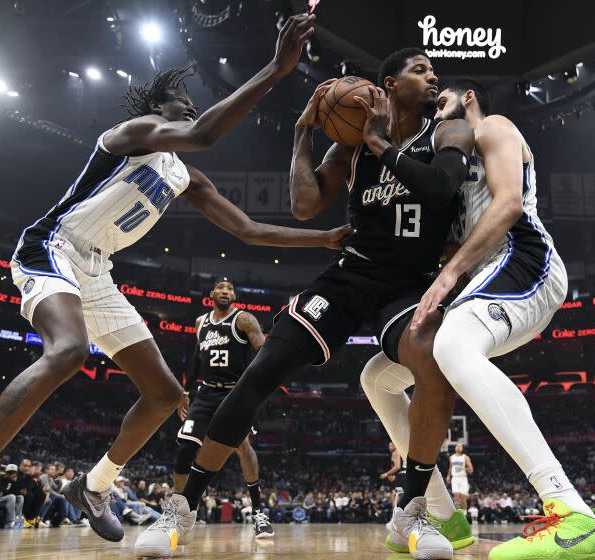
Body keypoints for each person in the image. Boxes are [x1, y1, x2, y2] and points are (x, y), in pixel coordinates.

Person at [0, 12, 350, 540]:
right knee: (69, 352)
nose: (193, 110)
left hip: (97, 270)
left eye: (192, 107)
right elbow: (204, 133)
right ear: (160, 111)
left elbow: (249, 230)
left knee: (163, 395)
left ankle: (93, 485)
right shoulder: (134, 134)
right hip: (53, 248)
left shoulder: (185, 176)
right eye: (183, 105)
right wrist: (276, 69)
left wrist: (324, 239)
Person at [134, 47, 474, 559]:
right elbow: (304, 204)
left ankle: (412, 513)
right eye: (420, 69)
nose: (433, 76)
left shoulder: (448, 131)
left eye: (433, 70)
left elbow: (439, 187)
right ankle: (180, 509)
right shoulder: (352, 148)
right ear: (387, 84)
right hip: (351, 274)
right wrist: (303, 133)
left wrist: (379, 142)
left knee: (431, 360)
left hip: (411, 283)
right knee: (262, 368)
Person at [359, 79, 595, 560]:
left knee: (453, 346)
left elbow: (508, 206)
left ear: (468, 99)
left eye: (441, 102)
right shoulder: (454, 164)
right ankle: (442, 512)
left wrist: (448, 276)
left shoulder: (495, 128)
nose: (435, 113)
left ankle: (574, 513)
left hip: (524, 259)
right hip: (487, 279)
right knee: (378, 377)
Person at [173, 278, 273, 539]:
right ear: (211, 294)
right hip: (206, 392)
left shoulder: (243, 320)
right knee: (185, 447)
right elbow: (196, 358)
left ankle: (259, 511)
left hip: (234, 393)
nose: (225, 291)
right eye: (221, 288)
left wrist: (256, 389)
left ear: (235, 297)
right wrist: (186, 391)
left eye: (230, 289)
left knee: (242, 447)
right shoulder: (200, 323)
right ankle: (182, 512)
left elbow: (263, 351)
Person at [446, 443, 473, 510]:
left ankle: (464, 514)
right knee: (456, 497)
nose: (458, 447)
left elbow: (471, 469)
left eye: (460, 446)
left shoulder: (465, 457)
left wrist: (463, 469)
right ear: (455, 448)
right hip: (455, 478)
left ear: (462, 448)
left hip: (463, 478)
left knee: (463, 498)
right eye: (457, 446)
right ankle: (458, 513)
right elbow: (450, 467)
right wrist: (448, 476)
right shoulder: (451, 457)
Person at [379, 442, 405, 508]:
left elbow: (397, 467)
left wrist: (386, 474)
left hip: (402, 476)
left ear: (395, 445)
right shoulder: (401, 452)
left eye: (390, 445)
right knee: (398, 496)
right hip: (404, 475)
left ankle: (397, 515)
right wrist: (394, 475)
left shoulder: (395, 452)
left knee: (395, 497)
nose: (389, 447)